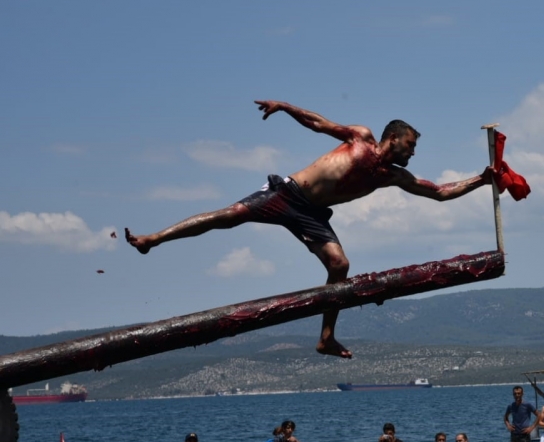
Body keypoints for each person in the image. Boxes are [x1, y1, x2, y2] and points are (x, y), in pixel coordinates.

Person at [125, 101, 494, 359]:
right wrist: (285, 107)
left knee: (339, 265)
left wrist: (482, 178)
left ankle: (326, 338)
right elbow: (320, 124)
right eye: (410, 146)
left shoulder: (394, 176)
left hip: (312, 215)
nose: (413, 155)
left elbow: (441, 193)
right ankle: (153, 239)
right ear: (394, 138)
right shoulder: (360, 138)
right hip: (287, 194)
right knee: (230, 214)